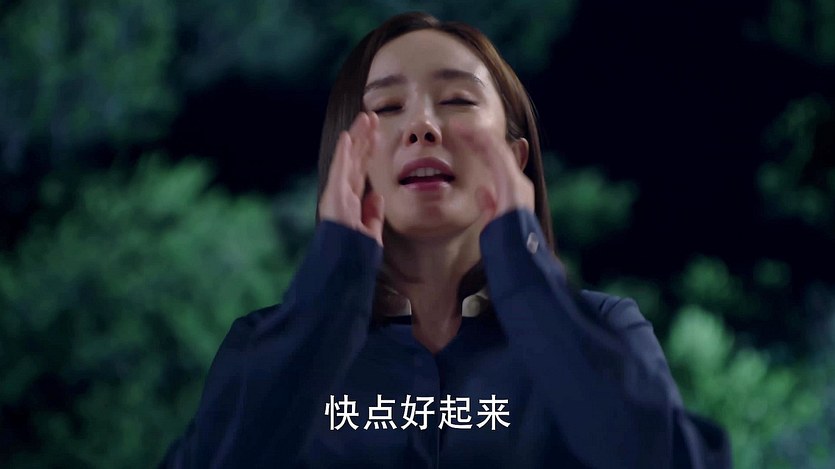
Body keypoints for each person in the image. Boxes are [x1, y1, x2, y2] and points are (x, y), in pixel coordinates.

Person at [161, 12, 731, 468]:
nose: (423, 126)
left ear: (515, 157)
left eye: (457, 100)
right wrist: (333, 288)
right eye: (387, 107)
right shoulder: (265, 346)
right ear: (346, 159)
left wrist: (524, 270)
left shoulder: (605, 330)